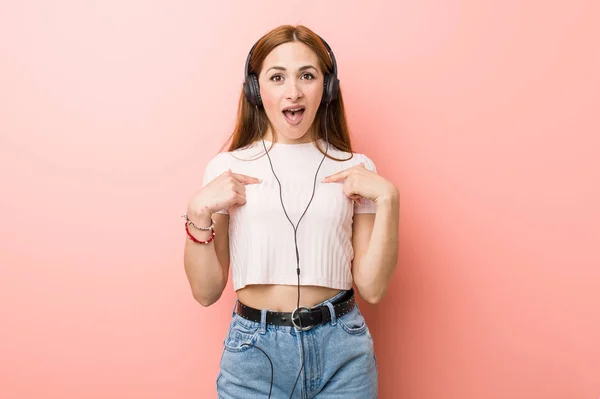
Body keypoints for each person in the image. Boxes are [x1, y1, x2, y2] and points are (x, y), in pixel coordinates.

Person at [183, 24, 399, 399]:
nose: (293, 91)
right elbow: (206, 292)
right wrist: (197, 211)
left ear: (327, 89)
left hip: (341, 350)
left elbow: (374, 288)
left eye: (307, 76)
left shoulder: (356, 168)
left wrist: (389, 201)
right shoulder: (226, 168)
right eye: (277, 77)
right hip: (253, 353)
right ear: (256, 89)